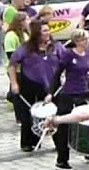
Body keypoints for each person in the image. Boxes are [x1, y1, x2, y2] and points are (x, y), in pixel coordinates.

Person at [9, 20, 65, 153]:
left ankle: (60, 143)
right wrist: (14, 83)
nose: (48, 33)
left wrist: (65, 76)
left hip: (53, 85)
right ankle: (29, 142)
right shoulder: (26, 48)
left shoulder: (56, 47)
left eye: (48, 30)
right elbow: (12, 64)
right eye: (44, 31)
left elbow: (66, 62)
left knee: (56, 113)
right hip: (31, 84)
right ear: (37, 33)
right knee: (31, 114)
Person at [52, 28, 89, 169]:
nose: (87, 42)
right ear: (77, 41)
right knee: (65, 125)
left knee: (88, 123)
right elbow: (57, 73)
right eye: (84, 39)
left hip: (84, 92)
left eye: (87, 39)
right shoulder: (68, 55)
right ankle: (62, 159)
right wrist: (50, 92)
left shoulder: (88, 54)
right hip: (69, 93)